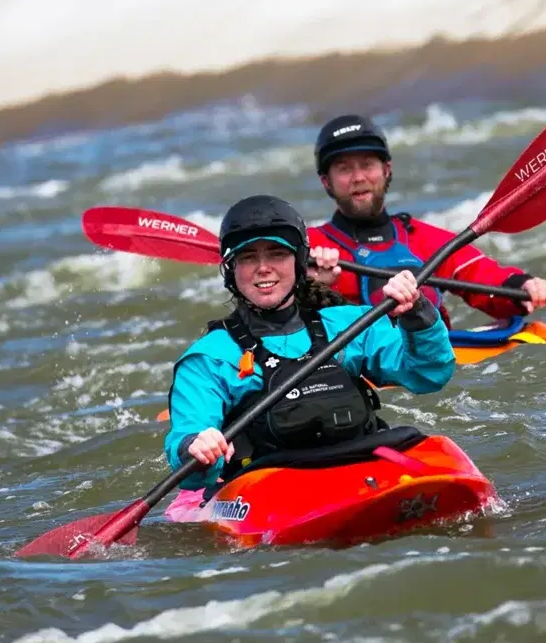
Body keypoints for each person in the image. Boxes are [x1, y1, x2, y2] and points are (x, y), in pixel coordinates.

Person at [163, 195, 455, 499]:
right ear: (231, 270)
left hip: (363, 463)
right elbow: (188, 448)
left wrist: (417, 314)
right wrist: (195, 446)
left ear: (299, 261)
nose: (263, 268)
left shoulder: (348, 324)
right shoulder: (211, 357)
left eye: (277, 253)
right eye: (248, 257)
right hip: (270, 486)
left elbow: (429, 374)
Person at [306, 115, 546, 329]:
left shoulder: (423, 238)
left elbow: (486, 281)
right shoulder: (308, 248)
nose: (358, 177)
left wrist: (523, 287)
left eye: (367, 164)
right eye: (344, 168)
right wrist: (309, 288)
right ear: (326, 181)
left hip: (429, 364)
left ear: (387, 170)